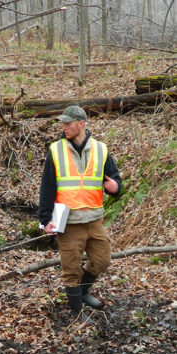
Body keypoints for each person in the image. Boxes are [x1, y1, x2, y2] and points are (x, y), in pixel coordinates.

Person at [38, 105, 123, 320]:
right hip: (67, 219)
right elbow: (48, 187)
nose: (64, 127)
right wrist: (45, 219)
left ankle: (83, 292)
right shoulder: (56, 150)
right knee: (70, 268)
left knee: (102, 259)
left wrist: (116, 188)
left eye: (68, 123)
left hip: (94, 217)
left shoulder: (101, 149)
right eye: (63, 123)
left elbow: (114, 179)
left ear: (81, 124)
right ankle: (77, 311)